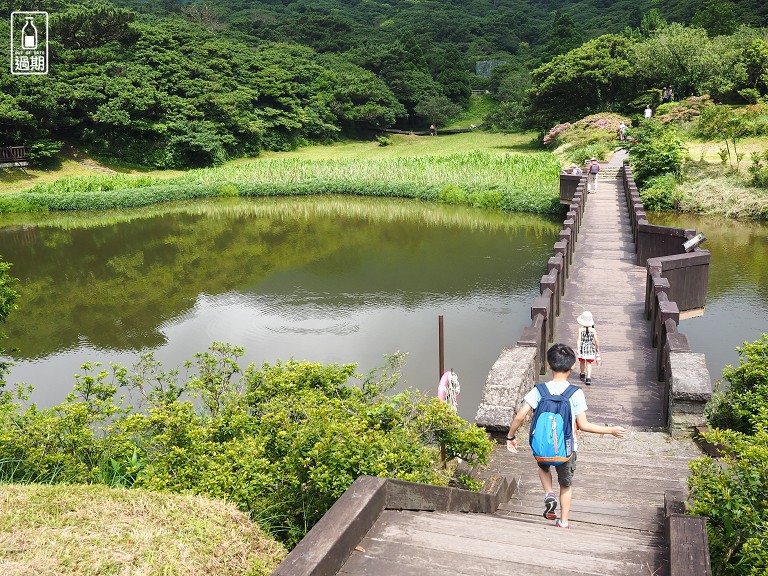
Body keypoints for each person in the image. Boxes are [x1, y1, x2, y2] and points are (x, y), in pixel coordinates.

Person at [505, 343, 625, 528]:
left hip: (543, 446)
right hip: (567, 449)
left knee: (543, 469)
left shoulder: (539, 390)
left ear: (549, 366)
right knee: (566, 485)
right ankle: (564, 522)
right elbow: (584, 425)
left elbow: (520, 416)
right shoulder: (575, 393)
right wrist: (611, 430)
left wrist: (510, 437)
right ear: (572, 367)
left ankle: (548, 493)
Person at [576, 310, 600, 385]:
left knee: (582, 361)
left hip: (582, 348)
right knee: (589, 363)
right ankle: (588, 377)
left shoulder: (580, 330)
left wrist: (578, 348)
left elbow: (579, 339)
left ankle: (582, 373)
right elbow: (596, 340)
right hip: (590, 348)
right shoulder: (593, 330)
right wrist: (597, 348)